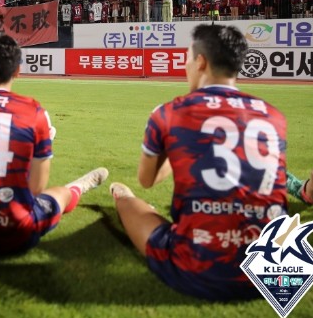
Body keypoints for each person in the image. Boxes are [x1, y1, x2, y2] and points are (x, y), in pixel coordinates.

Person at [110, 24, 288, 301]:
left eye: (187, 59)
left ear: (201, 62)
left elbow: (147, 180)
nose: (186, 66)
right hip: (278, 270)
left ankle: (121, 197)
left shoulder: (170, 112)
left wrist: (174, 144)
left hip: (202, 267)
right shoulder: (273, 115)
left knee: (127, 201)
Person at [0, 33, 108, 253]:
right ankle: (78, 187)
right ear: (17, 70)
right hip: (14, 231)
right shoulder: (33, 112)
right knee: (56, 195)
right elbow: (36, 189)